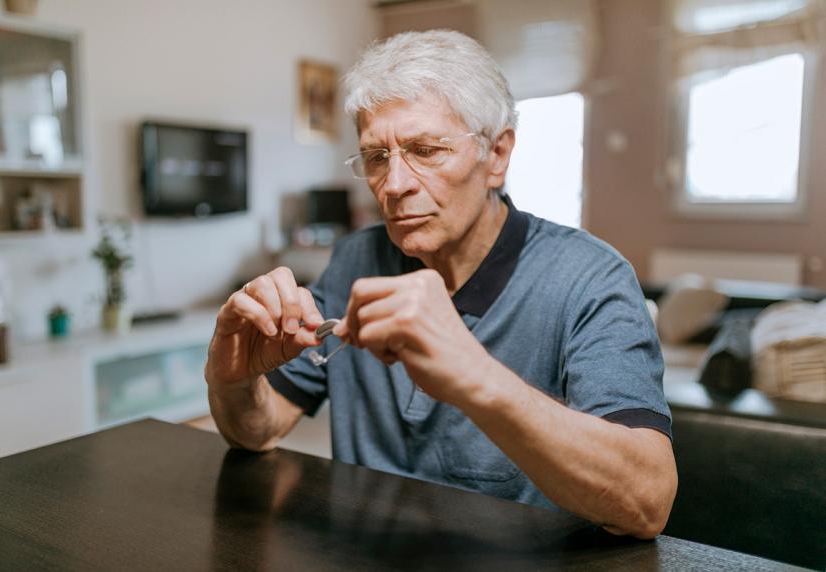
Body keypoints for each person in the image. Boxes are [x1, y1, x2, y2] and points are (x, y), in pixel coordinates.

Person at [206, 29, 677, 539]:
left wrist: (476, 376)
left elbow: (646, 503)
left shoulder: (590, 278)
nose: (395, 184)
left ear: (496, 156)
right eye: (377, 157)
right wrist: (232, 379)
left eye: (425, 150)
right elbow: (259, 431)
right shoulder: (356, 258)